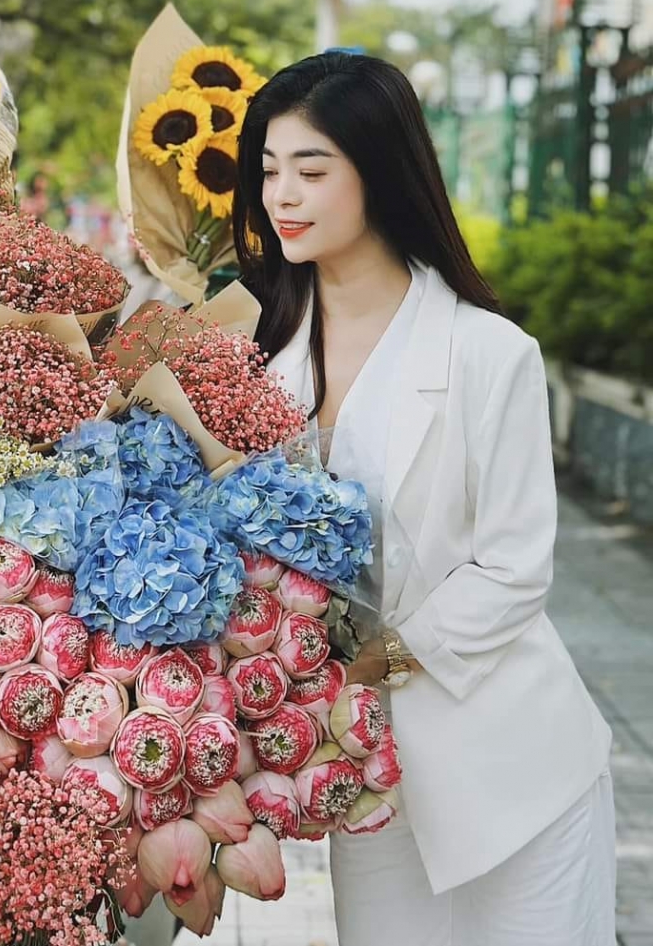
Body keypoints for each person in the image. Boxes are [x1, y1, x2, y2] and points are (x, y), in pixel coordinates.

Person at [233, 52, 615, 946]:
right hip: (370, 780)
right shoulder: (256, 357)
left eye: (312, 169)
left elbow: (515, 570)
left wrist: (372, 665)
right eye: (270, 169)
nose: (283, 193)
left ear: (381, 171)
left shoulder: (490, 354)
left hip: (514, 773)